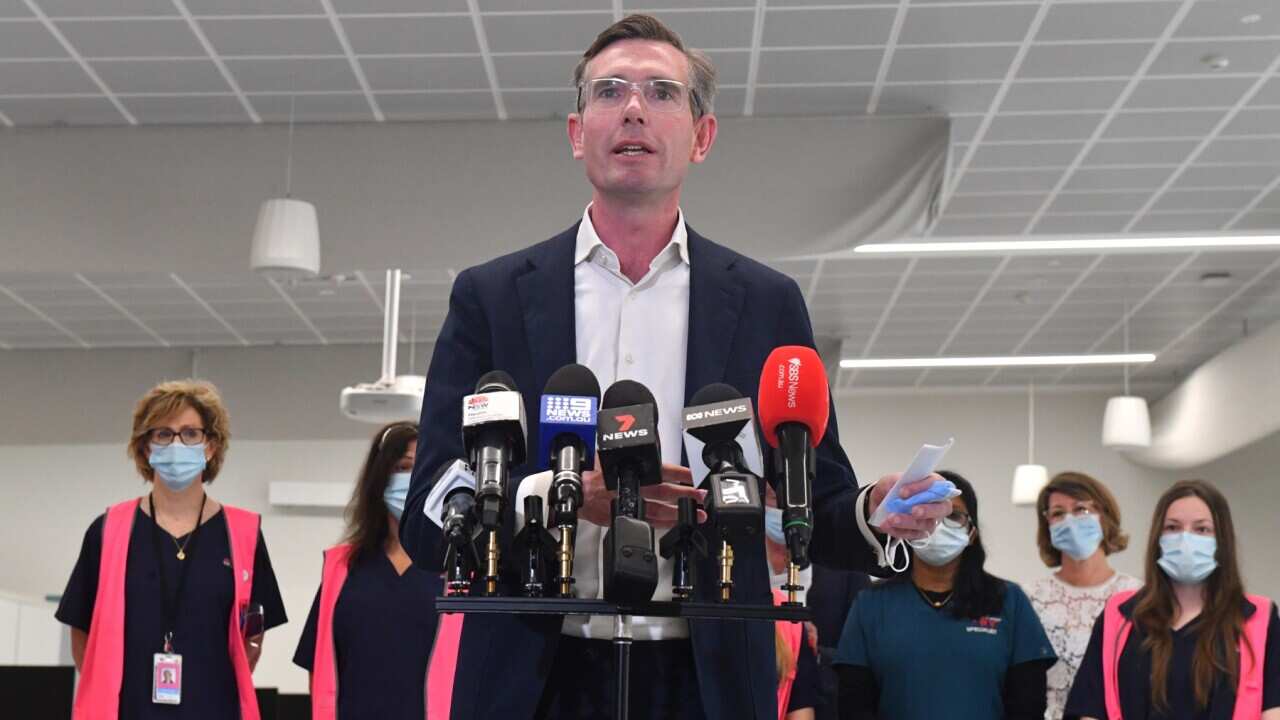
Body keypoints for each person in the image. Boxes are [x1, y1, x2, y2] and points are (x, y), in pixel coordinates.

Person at [399, 13, 952, 720]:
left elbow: (820, 498)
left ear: (702, 136)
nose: (633, 107)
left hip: (710, 677)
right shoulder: (492, 299)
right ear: (576, 133)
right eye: (609, 92)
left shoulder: (765, 303)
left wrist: (877, 512)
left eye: (662, 91)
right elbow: (427, 513)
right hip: (530, 675)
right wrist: (560, 494)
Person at [56, 379, 287, 719]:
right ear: (146, 447)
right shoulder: (107, 530)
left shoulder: (243, 533)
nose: (177, 443)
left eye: (191, 433)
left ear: (210, 446)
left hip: (214, 709)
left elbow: (253, 634)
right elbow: (81, 629)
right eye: (163, 434)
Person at [834, 470, 1057, 720]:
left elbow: (1028, 704)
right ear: (908, 524)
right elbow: (853, 703)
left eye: (953, 515)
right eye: (927, 513)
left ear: (972, 532)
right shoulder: (870, 605)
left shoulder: (1008, 600)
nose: (938, 523)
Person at [1065, 479, 1280, 720]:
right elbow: (1088, 708)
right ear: (1158, 537)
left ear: (1222, 540)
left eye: (1202, 529)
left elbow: (1273, 710)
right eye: (1173, 527)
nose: (1185, 539)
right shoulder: (1120, 615)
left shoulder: (1259, 617)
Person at [293, 421, 442, 720]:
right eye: (401, 466)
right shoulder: (343, 569)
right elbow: (319, 666)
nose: (411, 478)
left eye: (419, 467)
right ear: (380, 478)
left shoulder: (456, 570)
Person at [1028, 471, 1142, 720]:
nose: (1070, 520)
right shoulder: (1030, 598)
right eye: (1058, 513)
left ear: (1104, 517)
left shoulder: (1137, 598)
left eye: (1081, 509)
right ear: (1047, 525)